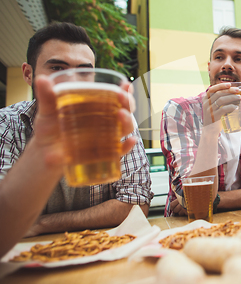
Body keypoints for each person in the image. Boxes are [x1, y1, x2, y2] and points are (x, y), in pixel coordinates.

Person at [0, 22, 153, 238]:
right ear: (28, 74)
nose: (71, 81)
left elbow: (136, 204)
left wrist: (43, 223)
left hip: (100, 251)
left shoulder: (114, 123)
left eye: (83, 72)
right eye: (57, 69)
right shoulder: (6, 124)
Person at [161, 27, 241, 216]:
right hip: (195, 230)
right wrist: (210, 129)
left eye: (239, 59)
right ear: (209, 66)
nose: (227, 65)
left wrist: (217, 201)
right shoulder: (179, 111)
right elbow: (197, 201)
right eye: (219, 57)